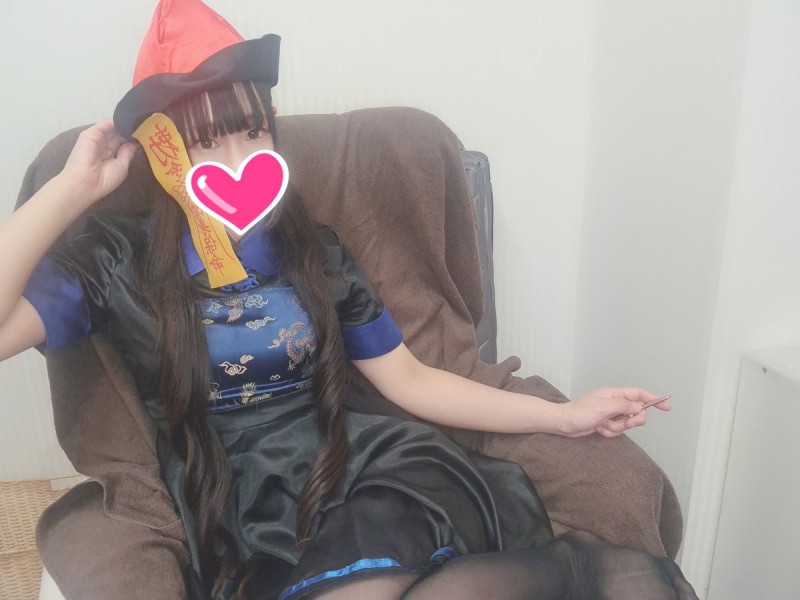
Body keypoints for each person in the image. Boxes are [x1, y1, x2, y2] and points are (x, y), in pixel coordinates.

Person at [0, 1, 697, 598]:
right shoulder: (115, 262)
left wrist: (565, 417)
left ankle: (592, 572)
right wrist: (72, 188)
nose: (240, 160)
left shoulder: (313, 250)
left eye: (253, 130)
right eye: (205, 141)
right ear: (163, 153)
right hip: (240, 509)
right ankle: (588, 573)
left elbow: (412, 380)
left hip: (364, 470)